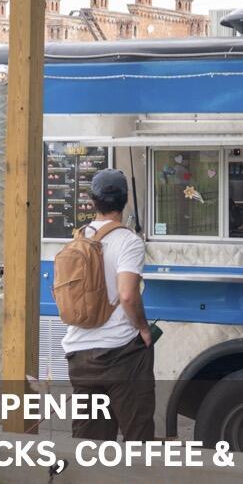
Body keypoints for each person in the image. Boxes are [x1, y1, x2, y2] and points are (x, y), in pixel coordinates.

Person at [63, 168, 155, 441]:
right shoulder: (128, 241)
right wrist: (144, 328)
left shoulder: (78, 238)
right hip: (121, 355)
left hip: (79, 354)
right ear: (125, 200)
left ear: (93, 201)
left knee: (90, 444)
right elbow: (127, 295)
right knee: (139, 442)